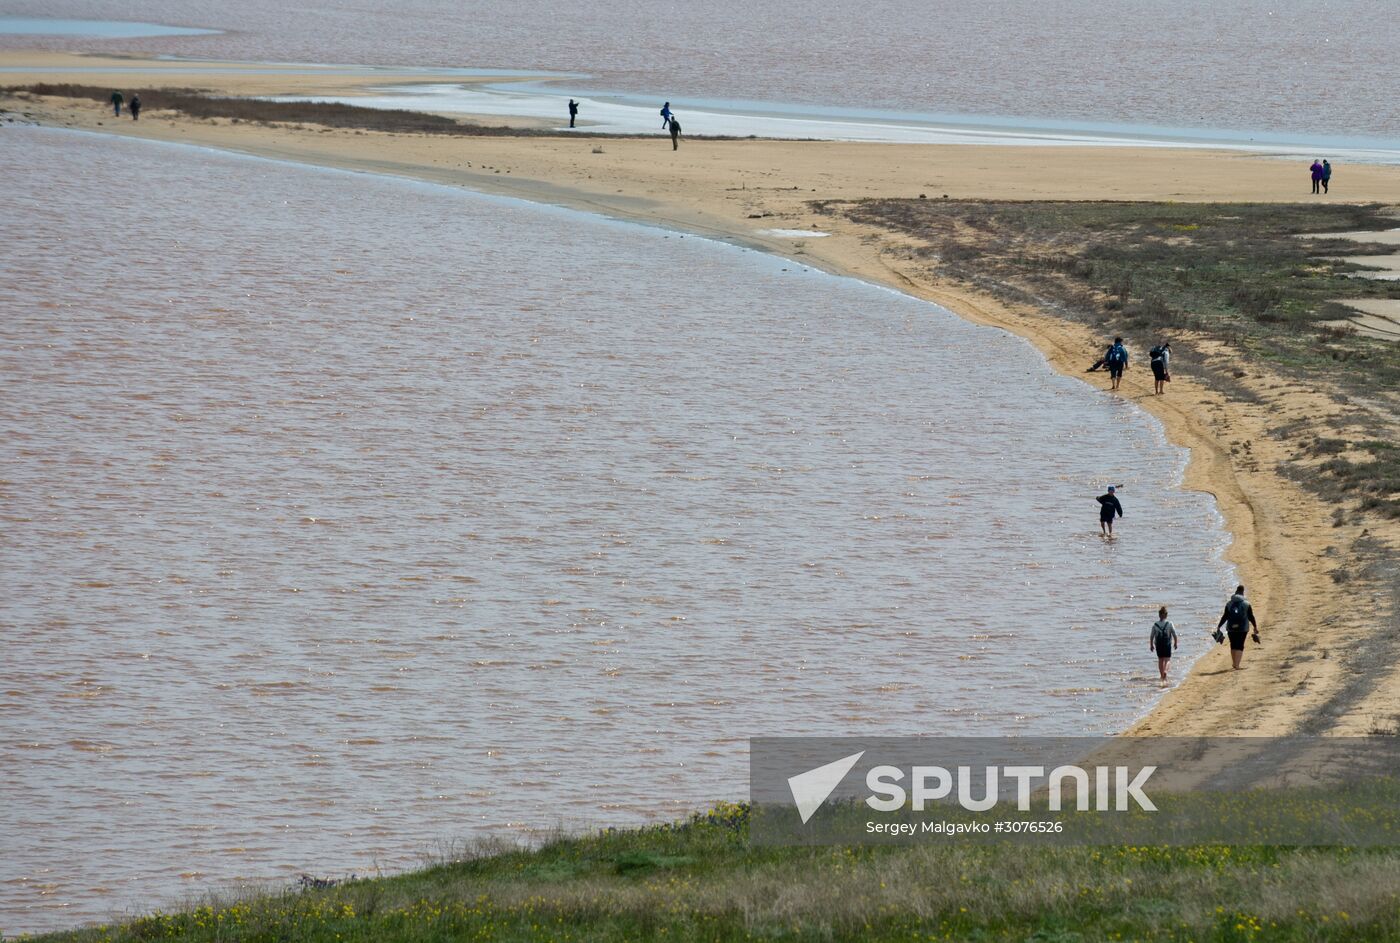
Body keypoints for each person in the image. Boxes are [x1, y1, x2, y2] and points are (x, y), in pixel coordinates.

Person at [1216, 584, 1260, 670]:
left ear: (1235, 593)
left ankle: (1234, 663)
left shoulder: (1229, 604)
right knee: (1240, 645)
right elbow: (1251, 616)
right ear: (1243, 593)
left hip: (1231, 628)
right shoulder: (1246, 604)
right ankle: (1237, 665)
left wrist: (1219, 626)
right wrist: (1255, 626)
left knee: (1233, 645)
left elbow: (1225, 616)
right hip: (1243, 628)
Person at [1150, 606, 1178, 683]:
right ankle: (1165, 671)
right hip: (1167, 644)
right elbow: (1174, 634)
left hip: (1158, 645)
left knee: (1160, 660)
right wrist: (1175, 643)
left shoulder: (1155, 625)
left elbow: (1152, 636)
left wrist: (1151, 645)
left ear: (1159, 615)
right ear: (1166, 615)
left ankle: (1162, 676)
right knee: (1167, 659)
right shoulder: (1169, 624)